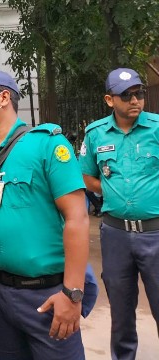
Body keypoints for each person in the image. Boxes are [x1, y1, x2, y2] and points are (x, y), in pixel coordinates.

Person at [0, 70, 91, 359]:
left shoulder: (46, 144)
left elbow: (77, 219)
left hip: (45, 293)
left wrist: (73, 294)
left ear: (4, 97)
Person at [79, 68, 159, 360]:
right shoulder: (96, 134)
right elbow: (85, 175)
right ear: (110, 100)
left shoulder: (157, 128)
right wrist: (109, 192)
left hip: (155, 232)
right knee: (121, 309)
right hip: (116, 235)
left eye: (138, 93)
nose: (135, 100)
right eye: (126, 96)